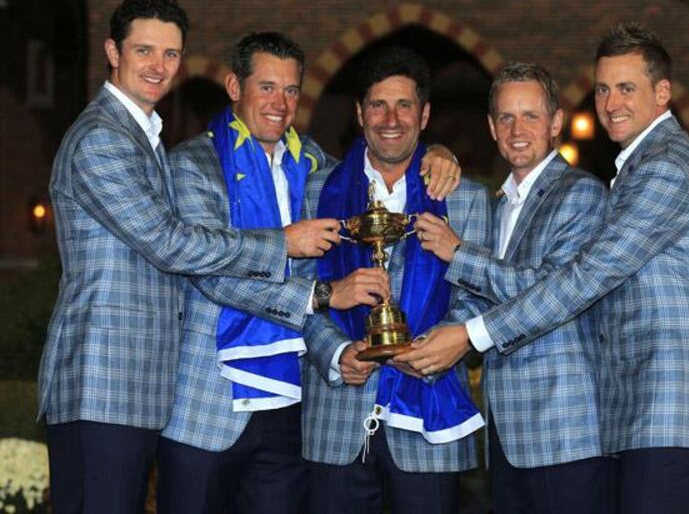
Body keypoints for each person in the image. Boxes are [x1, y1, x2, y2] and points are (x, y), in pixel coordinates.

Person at [400, 22, 689, 514]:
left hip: (671, 402)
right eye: (603, 89)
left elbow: (585, 278)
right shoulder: (638, 166)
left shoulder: (666, 165)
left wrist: (472, 334)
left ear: (662, 93)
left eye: (627, 88)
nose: (611, 102)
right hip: (638, 407)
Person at [38, 0, 342, 514]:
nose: (159, 67)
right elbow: (168, 243)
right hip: (102, 377)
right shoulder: (101, 139)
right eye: (145, 51)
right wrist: (282, 242)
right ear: (114, 52)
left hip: (135, 383)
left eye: (171, 54)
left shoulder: (142, 136)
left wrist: (436, 158)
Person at [157, 33, 461, 514]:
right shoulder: (193, 164)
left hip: (288, 407)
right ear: (235, 86)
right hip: (209, 405)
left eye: (292, 91)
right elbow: (208, 273)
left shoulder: (313, 165)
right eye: (268, 87)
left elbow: (383, 163)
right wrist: (320, 293)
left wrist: (435, 152)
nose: (281, 104)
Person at [398, 62, 615, 513]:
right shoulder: (497, 204)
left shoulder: (580, 195)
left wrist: (459, 253)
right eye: (506, 118)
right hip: (507, 435)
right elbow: (482, 295)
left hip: (566, 434)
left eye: (531, 116)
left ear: (555, 123)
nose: (518, 130)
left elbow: (552, 292)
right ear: (492, 127)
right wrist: (423, 346)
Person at [296, 46, 491, 514]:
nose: (391, 118)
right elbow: (295, 291)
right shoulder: (317, 190)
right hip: (337, 415)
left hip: (428, 413)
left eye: (404, 105)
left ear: (424, 115)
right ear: (360, 113)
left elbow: (479, 294)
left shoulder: (465, 197)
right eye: (378, 104)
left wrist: (433, 348)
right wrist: (336, 351)